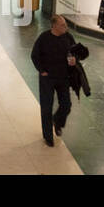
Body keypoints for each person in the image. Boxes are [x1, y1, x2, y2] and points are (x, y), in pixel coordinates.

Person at [30, 15, 77, 147]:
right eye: (62, 25)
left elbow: (75, 52)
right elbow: (34, 55)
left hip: (63, 77)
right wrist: (42, 70)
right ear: (54, 26)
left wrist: (74, 60)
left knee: (66, 105)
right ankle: (48, 136)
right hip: (48, 78)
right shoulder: (44, 38)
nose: (65, 27)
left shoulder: (68, 37)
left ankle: (57, 121)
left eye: (65, 25)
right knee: (46, 107)